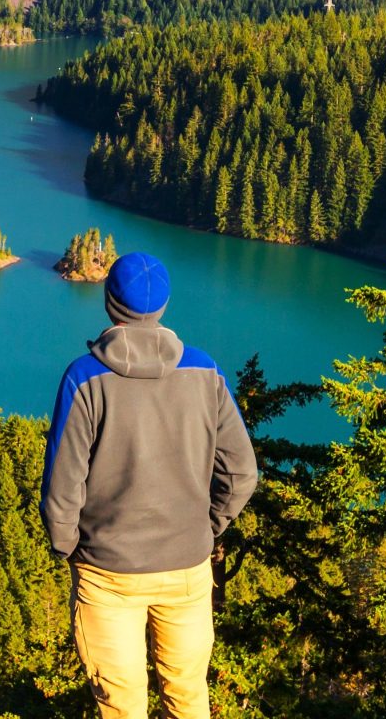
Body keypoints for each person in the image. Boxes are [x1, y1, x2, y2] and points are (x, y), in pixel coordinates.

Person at [42, 252, 257, 718]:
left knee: (121, 704)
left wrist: (70, 549)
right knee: (187, 697)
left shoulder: (85, 379)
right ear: (162, 306)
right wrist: (207, 527)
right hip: (186, 570)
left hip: (108, 574)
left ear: (109, 301)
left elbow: (62, 490)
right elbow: (242, 474)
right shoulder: (206, 374)